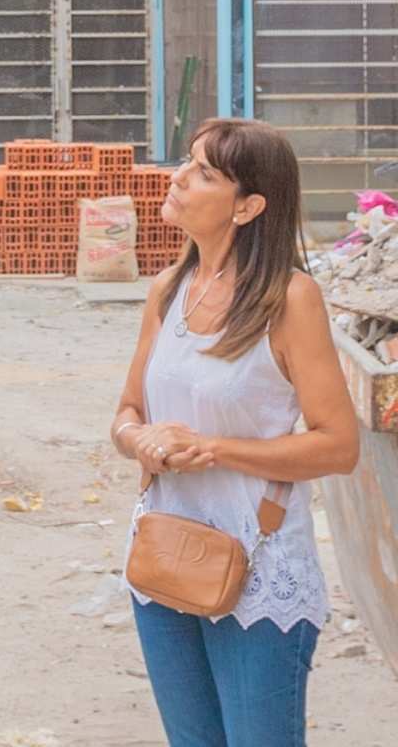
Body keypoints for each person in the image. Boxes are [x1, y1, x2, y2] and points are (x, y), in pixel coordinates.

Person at [110, 118, 358, 747]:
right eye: (187, 162)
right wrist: (141, 441)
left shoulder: (289, 299)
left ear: (248, 206)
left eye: (204, 173)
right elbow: (126, 413)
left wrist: (213, 449)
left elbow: (338, 444)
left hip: (258, 570)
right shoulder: (168, 290)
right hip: (164, 556)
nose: (179, 178)